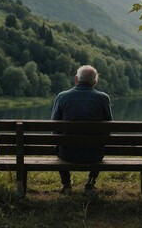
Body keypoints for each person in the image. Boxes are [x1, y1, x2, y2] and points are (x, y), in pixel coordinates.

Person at [51, 65, 113, 194]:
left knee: (57, 141)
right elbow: (109, 128)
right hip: (94, 154)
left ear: (76, 79)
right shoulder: (103, 98)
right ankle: (90, 183)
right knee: (100, 141)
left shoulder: (62, 97)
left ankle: (66, 185)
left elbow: (54, 127)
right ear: (95, 82)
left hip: (67, 153)